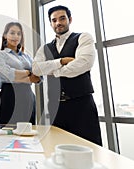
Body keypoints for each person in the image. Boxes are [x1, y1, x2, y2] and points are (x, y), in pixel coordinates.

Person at [32, 5, 102, 145]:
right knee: (57, 148)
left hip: (81, 104)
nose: (58, 23)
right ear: (51, 23)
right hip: (54, 107)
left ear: (69, 19)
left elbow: (83, 63)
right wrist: (61, 61)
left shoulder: (83, 37)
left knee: (89, 146)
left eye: (62, 18)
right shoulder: (44, 48)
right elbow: (36, 69)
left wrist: (53, 71)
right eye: (54, 20)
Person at [0, 22, 40, 125]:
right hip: (10, 95)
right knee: (8, 129)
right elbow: (8, 74)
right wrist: (28, 73)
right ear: (5, 35)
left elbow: (39, 77)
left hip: (28, 95)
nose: (16, 36)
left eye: (19, 34)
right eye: (12, 33)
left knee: (28, 131)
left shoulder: (27, 57)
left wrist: (18, 76)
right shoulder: (0, 55)